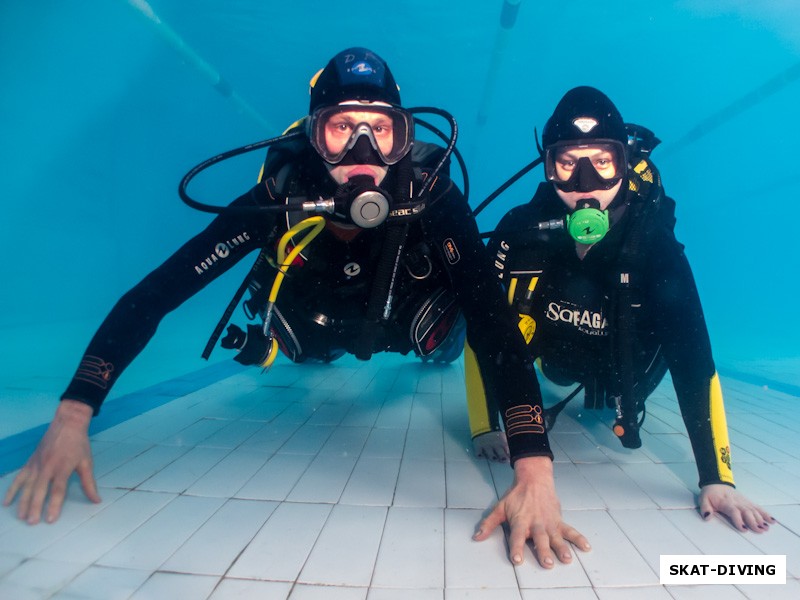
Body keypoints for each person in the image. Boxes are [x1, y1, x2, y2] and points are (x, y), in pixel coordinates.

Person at [3, 48, 589, 568]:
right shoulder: (281, 192)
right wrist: (75, 412)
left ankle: (435, 340)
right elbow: (158, 292)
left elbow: (493, 320)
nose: (363, 148)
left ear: (403, 135)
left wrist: (533, 465)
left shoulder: (429, 191)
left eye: (380, 130)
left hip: (411, 318)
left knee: (457, 328)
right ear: (314, 135)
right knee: (303, 349)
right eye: (341, 128)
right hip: (326, 318)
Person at [466, 85, 775, 533]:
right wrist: (484, 427)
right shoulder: (520, 231)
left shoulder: (653, 243)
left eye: (602, 162)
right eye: (568, 163)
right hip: (556, 363)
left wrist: (716, 479)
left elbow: (693, 359)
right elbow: (485, 329)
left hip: (625, 375)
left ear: (624, 163)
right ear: (548, 166)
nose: (585, 183)